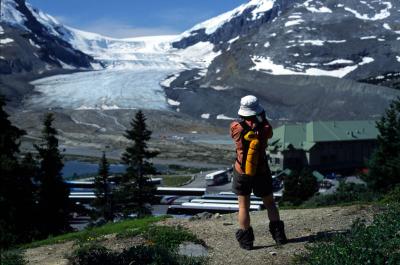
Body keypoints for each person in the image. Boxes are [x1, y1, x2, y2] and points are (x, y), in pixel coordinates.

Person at [230, 95, 287, 250]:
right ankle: (279, 237)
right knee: (269, 203)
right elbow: (269, 133)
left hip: (242, 170)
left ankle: (246, 242)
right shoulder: (265, 128)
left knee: (243, 206)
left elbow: (236, 135)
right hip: (261, 169)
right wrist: (262, 118)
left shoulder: (236, 127)